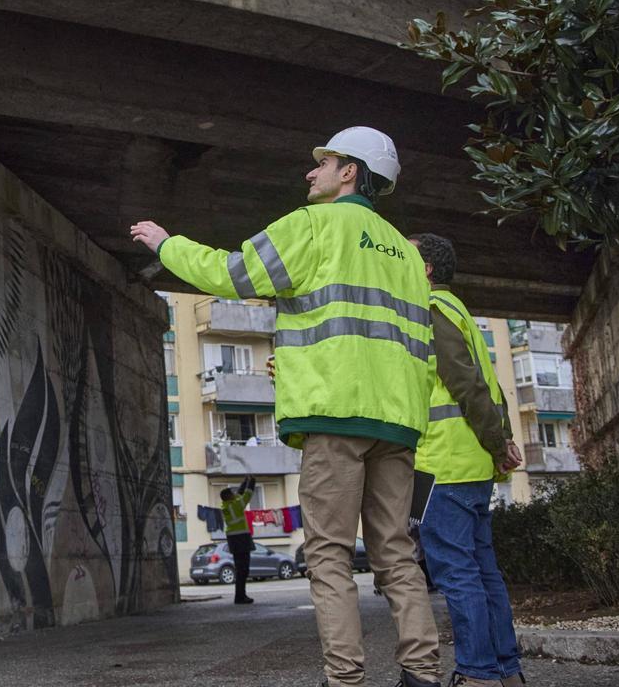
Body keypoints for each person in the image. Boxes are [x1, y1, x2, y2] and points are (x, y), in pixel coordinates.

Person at [131, 127, 440, 687]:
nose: (311, 171)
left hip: (333, 416)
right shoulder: (403, 253)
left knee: (327, 553)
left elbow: (233, 274)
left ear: (351, 172)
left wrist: (166, 244)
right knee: (397, 553)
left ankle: (344, 679)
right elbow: (417, 348)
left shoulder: (314, 225)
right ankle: (422, 673)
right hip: (396, 423)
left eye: (324, 162)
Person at [407, 233, 526, 687]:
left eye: (408, 254)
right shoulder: (460, 312)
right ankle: (506, 670)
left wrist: (500, 444)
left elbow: (465, 384)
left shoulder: (432, 311)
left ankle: (476, 674)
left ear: (427, 270)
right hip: (472, 464)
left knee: (458, 576)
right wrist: (501, 441)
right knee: (484, 573)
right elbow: (491, 384)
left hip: (444, 466)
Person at [221, 475, 258, 604]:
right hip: (240, 538)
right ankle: (240, 597)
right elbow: (247, 495)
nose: (234, 494)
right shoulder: (235, 506)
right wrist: (252, 481)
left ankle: (240, 595)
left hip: (234, 539)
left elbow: (239, 493)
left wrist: (245, 481)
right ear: (228, 497)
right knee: (243, 569)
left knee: (240, 569)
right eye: (231, 493)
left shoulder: (228, 505)